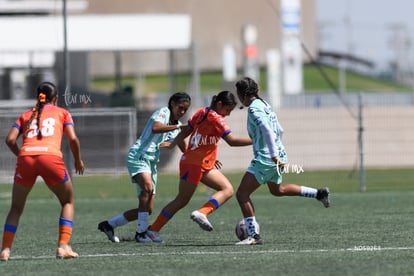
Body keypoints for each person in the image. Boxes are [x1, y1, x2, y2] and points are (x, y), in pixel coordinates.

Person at [234, 77, 330, 245]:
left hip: (266, 158)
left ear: (243, 94)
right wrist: (278, 151)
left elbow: (268, 131)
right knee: (277, 190)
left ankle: (253, 236)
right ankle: (319, 193)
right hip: (278, 155)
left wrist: (273, 155)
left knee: (242, 194)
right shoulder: (265, 105)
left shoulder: (254, 110)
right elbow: (280, 129)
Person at [146, 91, 252, 242]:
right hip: (194, 164)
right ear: (220, 104)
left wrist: (173, 144)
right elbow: (232, 141)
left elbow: (187, 130)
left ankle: (202, 212)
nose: (228, 114)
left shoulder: (202, 112)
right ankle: (153, 230)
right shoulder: (217, 119)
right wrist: (256, 140)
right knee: (181, 200)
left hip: (201, 163)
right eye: (227, 110)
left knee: (227, 189)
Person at [0, 82, 85, 261]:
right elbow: (73, 139)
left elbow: (10, 140)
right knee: (67, 201)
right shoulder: (62, 112)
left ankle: (5, 250)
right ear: (55, 98)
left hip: (26, 159)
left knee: (16, 208)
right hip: (50, 159)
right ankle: (63, 247)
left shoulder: (26, 115)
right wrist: (78, 159)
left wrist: (22, 155)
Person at [98, 92, 191, 243]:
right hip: (138, 156)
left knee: (147, 209)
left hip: (151, 162)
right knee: (147, 188)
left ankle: (109, 225)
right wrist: (179, 127)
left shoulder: (176, 125)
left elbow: (180, 144)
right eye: (180, 108)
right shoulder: (164, 112)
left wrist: (195, 156)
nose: (182, 112)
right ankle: (141, 234)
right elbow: (156, 127)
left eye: (185, 110)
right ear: (172, 104)